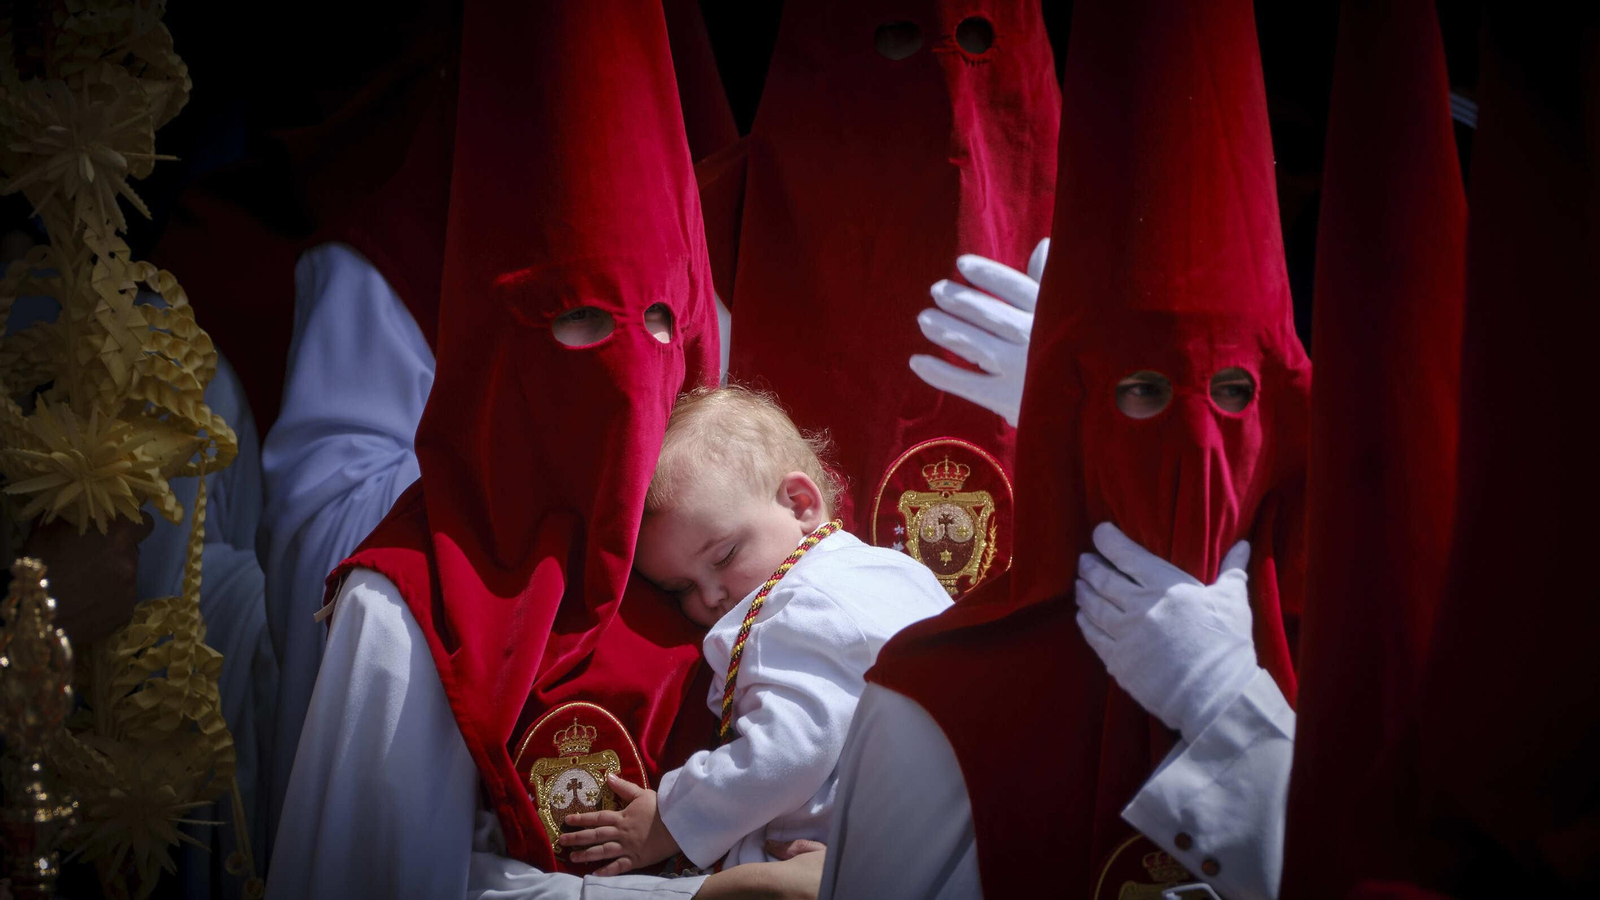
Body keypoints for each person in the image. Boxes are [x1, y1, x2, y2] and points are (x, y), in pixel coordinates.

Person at [267, 4, 822, 899]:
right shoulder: (407, 611)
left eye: (657, 325)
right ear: (503, 350)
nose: (623, 370)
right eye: (580, 324)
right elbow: (380, 879)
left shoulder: (746, 550)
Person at [823, 1, 1311, 898]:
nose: (1196, 440)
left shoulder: (1372, 651)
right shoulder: (932, 702)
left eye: (1235, 394)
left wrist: (1228, 711)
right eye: (1140, 394)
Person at [722, 0, 1061, 599]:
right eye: (898, 39)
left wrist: (1079, 395)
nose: (944, 109)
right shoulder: (712, 227)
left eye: (975, 41)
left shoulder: (1103, 228)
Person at [559, 386, 951, 874]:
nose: (709, 597)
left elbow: (788, 750)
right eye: (679, 588)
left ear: (800, 503)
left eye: (724, 556)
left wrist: (672, 817)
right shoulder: (891, 572)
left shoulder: (806, 603)